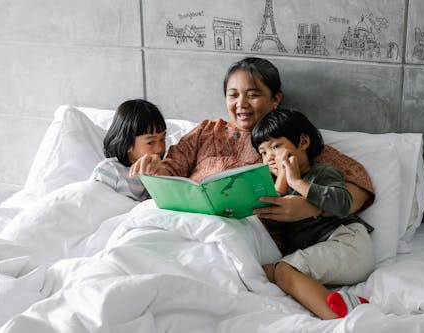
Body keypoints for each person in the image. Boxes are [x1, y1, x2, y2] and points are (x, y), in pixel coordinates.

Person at [130, 56, 375, 221]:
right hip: (185, 223)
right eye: (233, 95)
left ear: (276, 99)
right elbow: (170, 174)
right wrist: (153, 169)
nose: (241, 104)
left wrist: (310, 208)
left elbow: (359, 185)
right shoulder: (206, 131)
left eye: (253, 95)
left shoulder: (290, 140)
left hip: (244, 237)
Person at [251, 108, 375, 320]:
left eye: (276, 146)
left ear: (303, 142)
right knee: (268, 271)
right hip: (327, 254)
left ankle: (344, 319)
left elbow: (342, 203)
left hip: (348, 243)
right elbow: (274, 225)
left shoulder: (323, 172)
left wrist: (297, 183)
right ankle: (342, 302)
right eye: (263, 152)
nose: (269, 156)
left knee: (283, 270)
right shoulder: (275, 185)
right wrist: (282, 179)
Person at [90, 99, 166, 201]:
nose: (160, 148)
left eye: (162, 139)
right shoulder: (110, 170)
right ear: (128, 143)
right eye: (151, 142)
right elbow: (95, 204)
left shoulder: (162, 170)